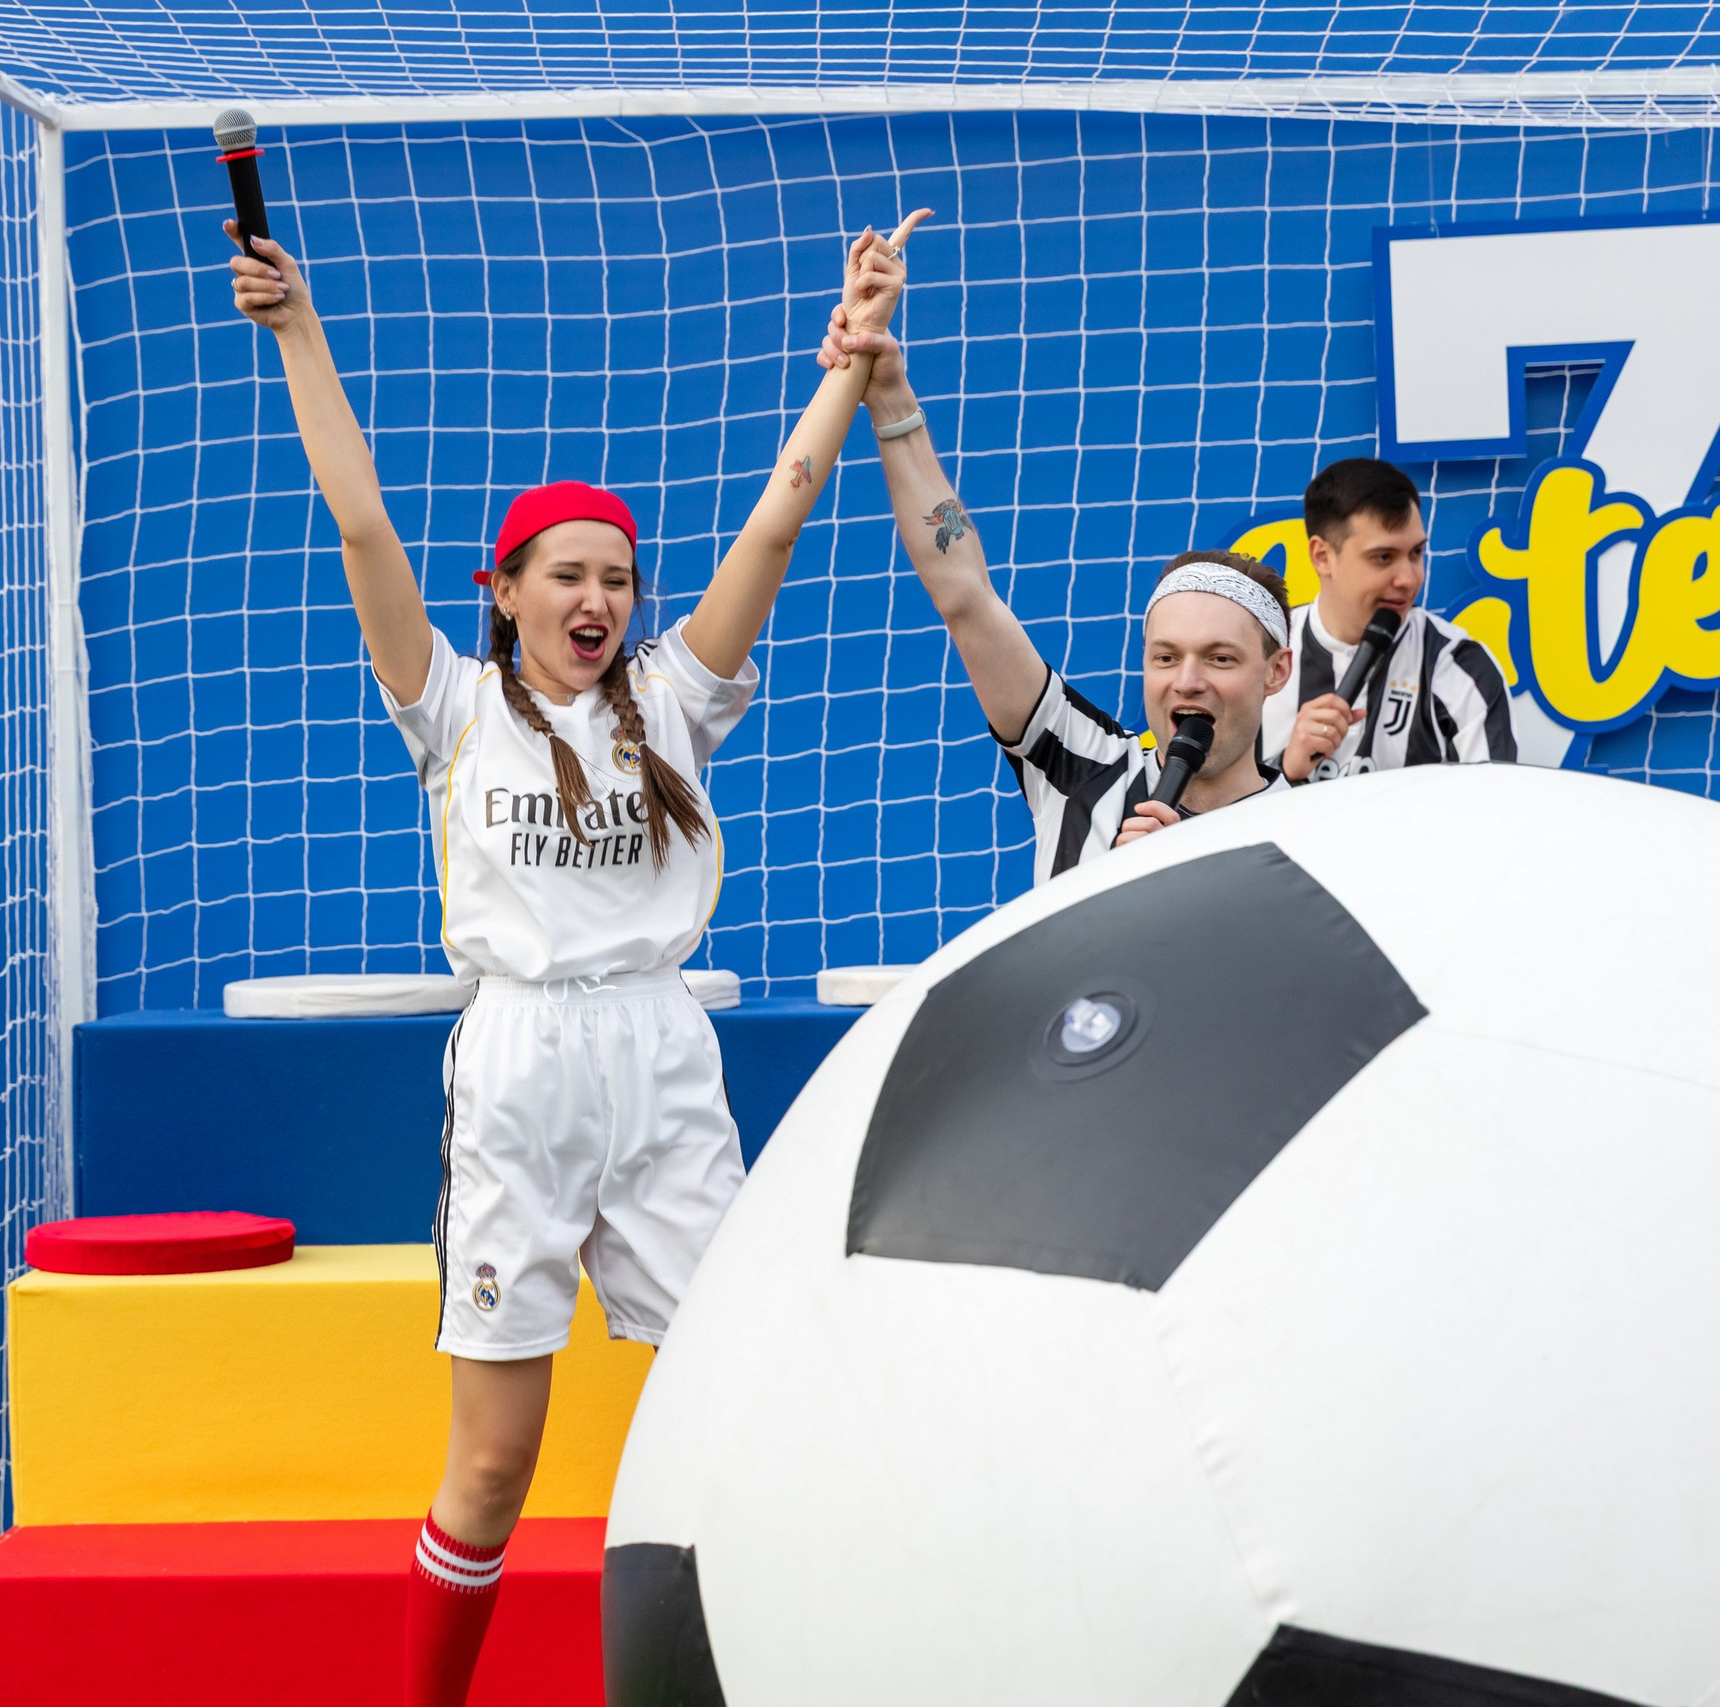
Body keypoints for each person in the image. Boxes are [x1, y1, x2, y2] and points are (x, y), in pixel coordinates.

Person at [229, 209, 927, 1707]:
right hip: (522, 1067)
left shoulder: (677, 697)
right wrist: (297, 333)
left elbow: (779, 517)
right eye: (566, 574)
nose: (597, 597)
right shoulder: (452, 703)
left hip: (665, 1057)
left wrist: (850, 346)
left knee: (737, 1406)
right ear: (508, 590)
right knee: (492, 1460)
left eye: (615, 572)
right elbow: (361, 525)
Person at [818, 319, 1291, 875]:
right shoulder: (1083, 760)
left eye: (1220, 657)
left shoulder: (1314, 828)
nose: (1187, 680)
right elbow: (965, 596)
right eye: (1165, 657)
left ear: (1276, 672)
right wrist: (891, 397)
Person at [1266, 456, 1516, 782]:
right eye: (1384, 557)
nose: (1409, 579)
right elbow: (1213, 819)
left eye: (1416, 553)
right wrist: (1286, 770)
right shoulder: (1261, 657)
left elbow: (1495, 812)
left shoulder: (1462, 667)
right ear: (1322, 557)